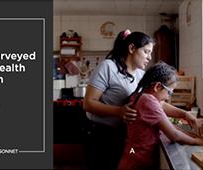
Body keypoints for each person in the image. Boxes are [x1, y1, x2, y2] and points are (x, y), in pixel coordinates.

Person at [82, 30, 200, 170]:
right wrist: (118, 111)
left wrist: (183, 114)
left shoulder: (141, 74)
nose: (150, 57)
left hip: (124, 136)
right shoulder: (108, 67)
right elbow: (88, 103)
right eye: (146, 52)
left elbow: (157, 104)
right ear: (131, 48)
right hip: (102, 135)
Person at [117, 61, 203, 169]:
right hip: (136, 162)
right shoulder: (148, 101)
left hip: (132, 156)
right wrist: (197, 141)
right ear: (157, 86)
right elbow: (174, 135)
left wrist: (185, 114)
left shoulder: (141, 96)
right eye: (169, 92)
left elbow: (162, 106)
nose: (168, 98)